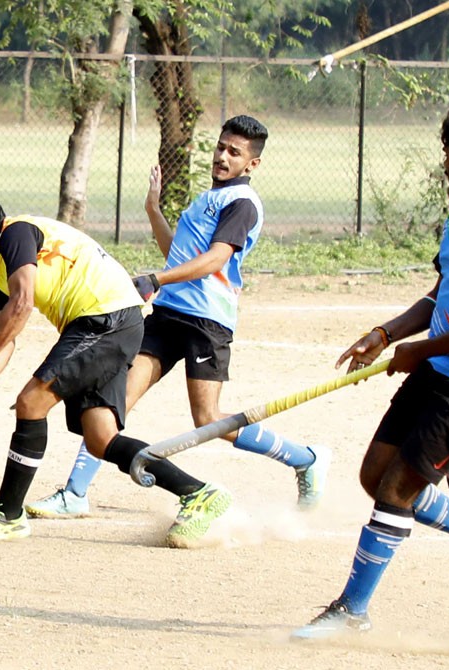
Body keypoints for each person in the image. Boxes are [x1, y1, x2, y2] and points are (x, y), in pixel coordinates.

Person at [292, 106, 449, 639]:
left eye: (446, 155)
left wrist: (419, 352)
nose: (444, 165)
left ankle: (351, 611)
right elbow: (442, 294)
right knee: (375, 477)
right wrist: (385, 335)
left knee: (396, 491)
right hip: (441, 370)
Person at [26, 115, 329, 521]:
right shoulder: (209, 197)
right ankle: (75, 493)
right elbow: (178, 255)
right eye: (221, 146)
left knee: (208, 418)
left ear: (252, 164)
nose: (222, 156)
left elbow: (216, 260)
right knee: (113, 402)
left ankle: (304, 458)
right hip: (168, 314)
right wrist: (153, 209)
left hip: (207, 322)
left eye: (234, 152)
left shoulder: (241, 203)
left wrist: (156, 279)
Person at [0, 184, 230, 546]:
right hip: (104, 321)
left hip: (105, 316)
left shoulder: (17, 233)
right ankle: (199, 493)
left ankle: (8, 515)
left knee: (31, 402)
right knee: (100, 438)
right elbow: (5, 336)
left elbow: (22, 304)